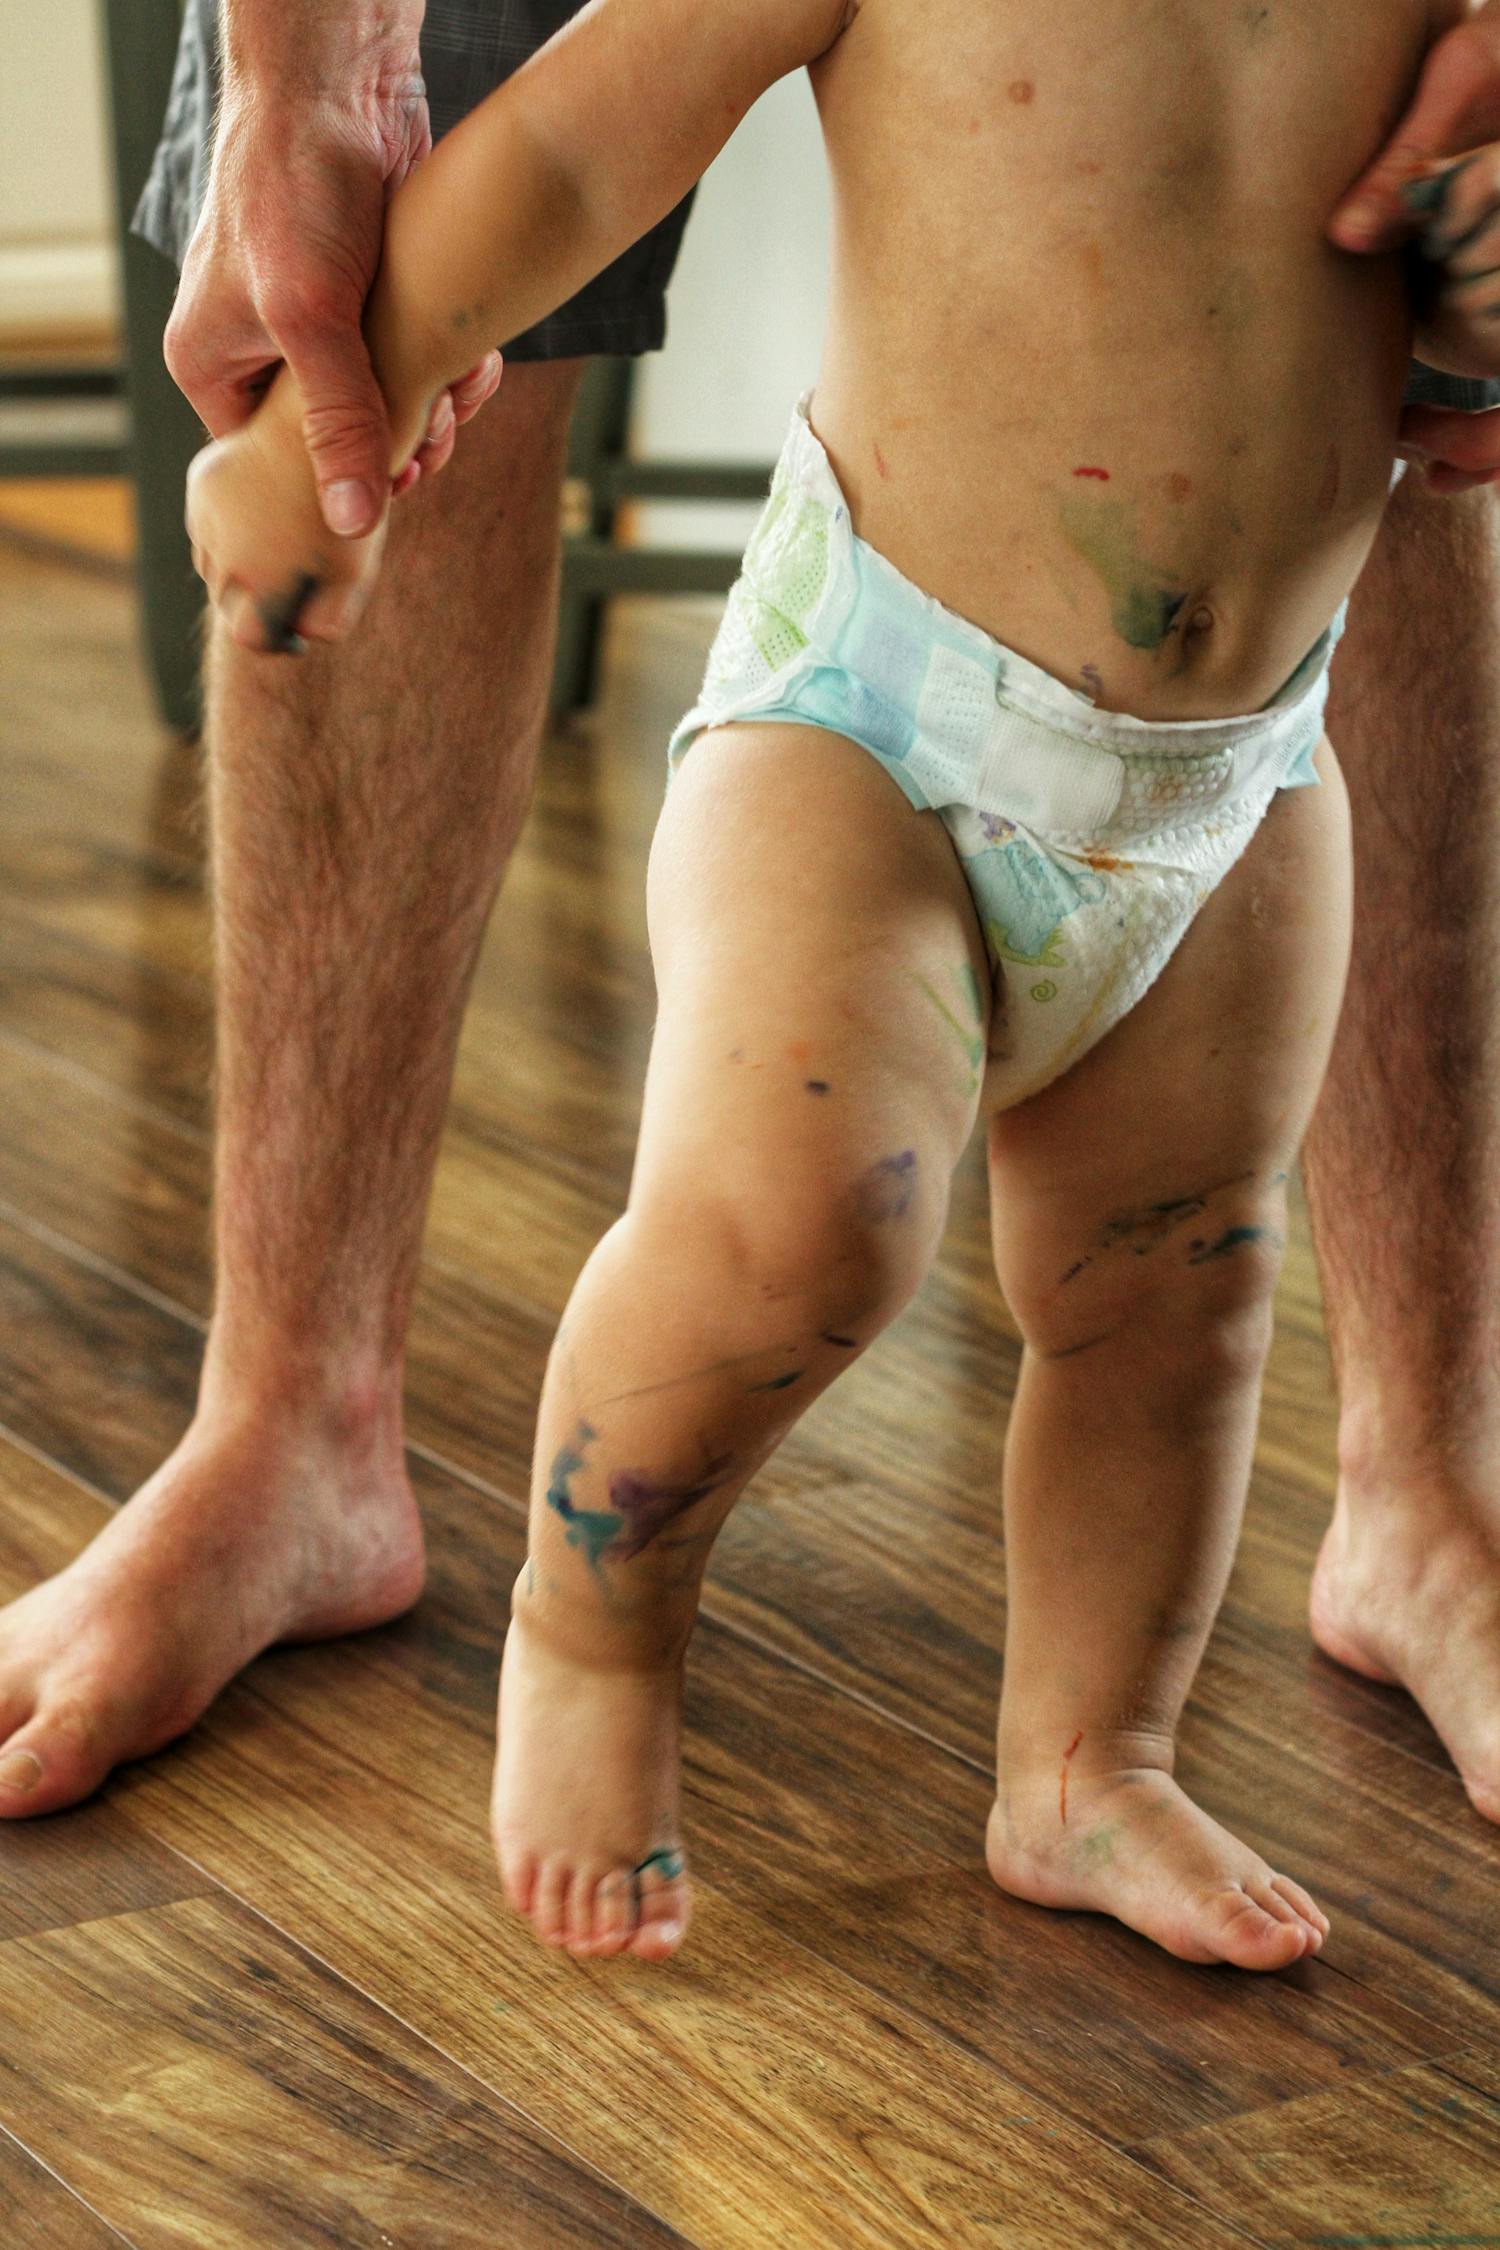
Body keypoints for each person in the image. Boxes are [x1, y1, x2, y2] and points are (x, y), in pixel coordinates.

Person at [0, 0, 1495, 1949]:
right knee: (797, 1226)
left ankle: (1090, 1765)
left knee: (1176, 1300)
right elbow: (565, 151)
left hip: (1238, 780)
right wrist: (314, 439)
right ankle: (592, 1638)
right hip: (873, 730)